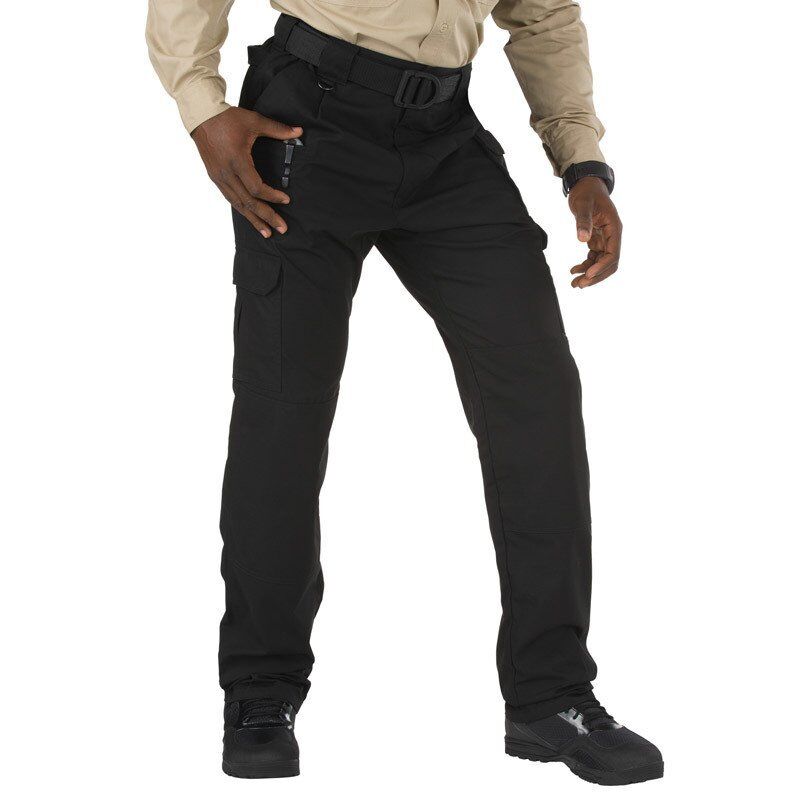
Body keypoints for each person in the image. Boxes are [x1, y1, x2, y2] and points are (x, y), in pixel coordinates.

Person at [146, 1, 662, 785]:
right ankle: (259, 689)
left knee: (538, 400)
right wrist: (201, 106)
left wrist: (581, 163)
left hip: (445, 138)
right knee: (284, 412)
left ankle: (549, 696)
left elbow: (542, 15)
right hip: (305, 122)